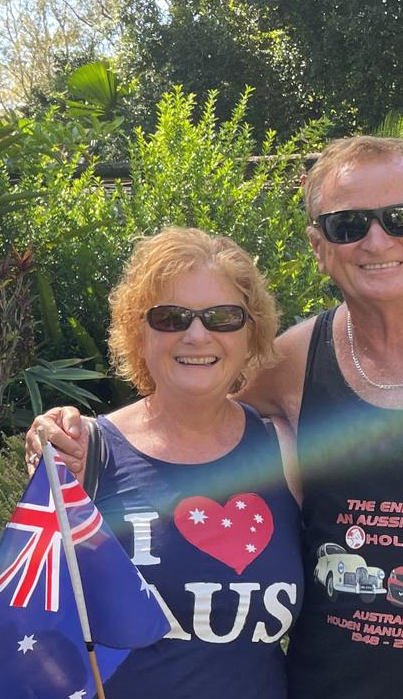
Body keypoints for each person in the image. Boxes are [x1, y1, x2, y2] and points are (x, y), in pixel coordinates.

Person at [27, 136, 403, 698]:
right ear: (320, 246)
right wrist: (77, 436)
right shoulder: (292, 363)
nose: (377, 240)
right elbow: (185, 414)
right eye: (348, 224)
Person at [45, 226, 303, 697]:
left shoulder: (285, 452)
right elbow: (39, 620)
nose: (197, 334)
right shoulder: (86, 454)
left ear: (252, 334)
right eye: (171, 317)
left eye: (223, 317)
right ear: (138, 335)